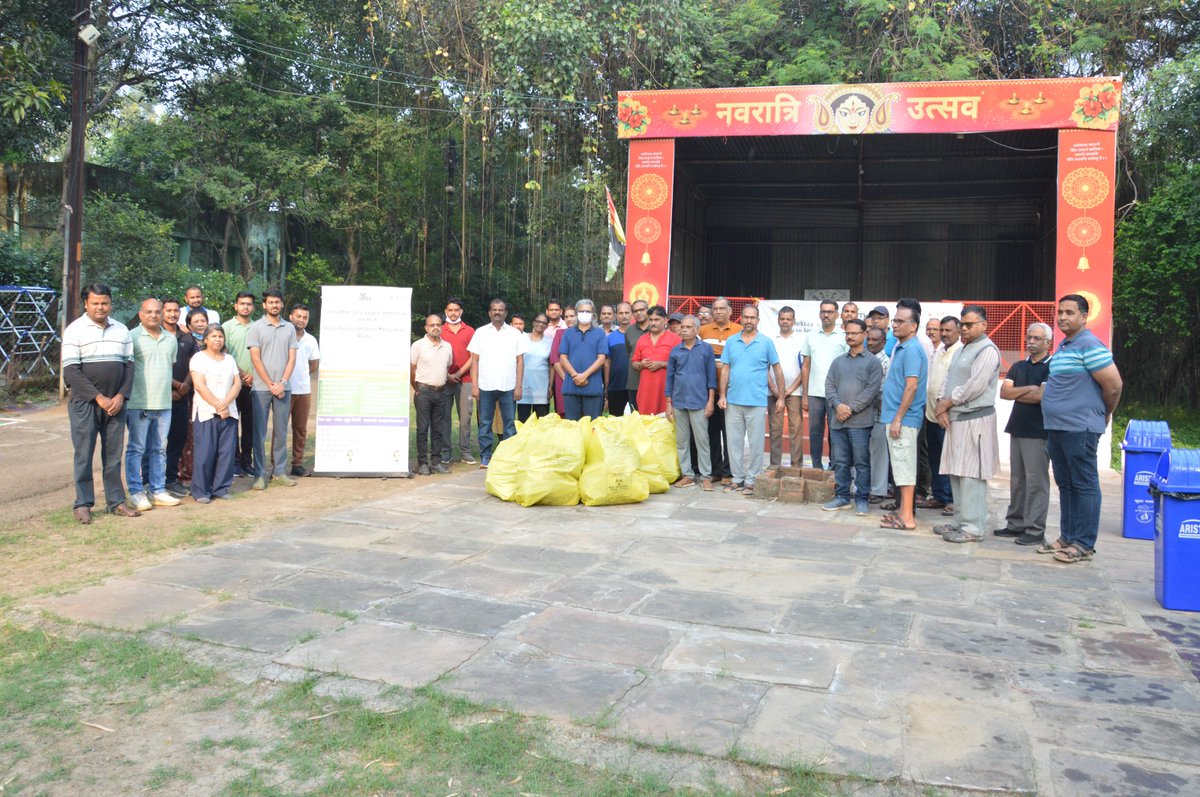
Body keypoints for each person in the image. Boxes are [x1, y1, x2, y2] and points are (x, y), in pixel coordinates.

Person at [1039, 294, 1123, 564]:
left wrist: (1104, 413)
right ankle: (1068, 536)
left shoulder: (1089, 344)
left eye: (1070, 312)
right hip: (1057, 427)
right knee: (1066, 484)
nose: (1063, 317)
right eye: (1060, 312)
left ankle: (1084, 544)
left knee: (1084, 485)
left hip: (1080, 428)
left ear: (1084, 317)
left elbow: (1114, 385)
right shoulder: (1065, 345)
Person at [62, 283, 139, 524]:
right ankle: (83, 504)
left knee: (114, 456)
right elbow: (71, 371)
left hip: (116, 404)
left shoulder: (122, 330)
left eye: (104, 303)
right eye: (95, 303)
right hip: (85, 404)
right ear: (86, 304)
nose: (100, 307)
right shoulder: (75, 330)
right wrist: (99, 398)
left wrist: (120, 397)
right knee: (84, 455)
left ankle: (116, 502)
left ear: (110, 304)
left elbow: (129, 366)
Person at [933, 306, 1001, 544]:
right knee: (957, 472)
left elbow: (976, 385)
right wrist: (943, 404)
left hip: (975, 419)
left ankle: (973, 528)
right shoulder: (962, 349)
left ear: (984, 325)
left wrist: (947, 403)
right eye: (962, 324)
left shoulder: (988, 350)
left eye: (969, 325)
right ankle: (959, 522)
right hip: (956, 419)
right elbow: (949, 380)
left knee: (972, 475)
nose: (964, 328)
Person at [996, 323, 1054, 546]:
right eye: (1029, 337)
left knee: (1036, 481)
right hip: (1017, 428)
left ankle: (1035, 529)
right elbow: (1004, 393)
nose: (1031, 341)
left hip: (1038, 432)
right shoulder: (1019, 366)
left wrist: (1021, 392)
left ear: (1047, 342)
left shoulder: (1052, 366)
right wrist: (1028, 389)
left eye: (1037, 338)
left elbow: (1041, 396)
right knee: (1017, 480)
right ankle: (1015, 523)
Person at [718, 304, 784, 494]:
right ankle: (737, 478)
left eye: (752, 318)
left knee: (756, 444)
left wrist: (780, 396)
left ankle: (752, 479)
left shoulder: (766, 342)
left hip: (756, 401)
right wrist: (722, 395)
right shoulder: (731, 341)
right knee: (733, 442)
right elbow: (725, 369)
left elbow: (777, 369)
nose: (748, 321)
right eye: (745, 317)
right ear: (741, 319)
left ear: (758, 320)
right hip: (733, 401)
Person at [125, 298, 181, 511]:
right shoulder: (132, 338)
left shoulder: (170, 339)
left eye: (157, 312)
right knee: (137, 449)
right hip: (139, 403)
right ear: (141, 314)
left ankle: (157, 490)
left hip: (164, 404)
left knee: (159, 449)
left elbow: (168, 367)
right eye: (148, 312)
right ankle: (136, 492)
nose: (153, 315)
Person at [823, 318, 883, 516]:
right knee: (840, 461)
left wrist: (850, 409)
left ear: (864, 335)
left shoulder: (873, 362)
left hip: (860, 422)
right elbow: (829, 386)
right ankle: (842, 496)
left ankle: (862, 498)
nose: (850, 336)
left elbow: (872, 390)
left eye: (854, 333)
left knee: (861, 461)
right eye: (847, 333)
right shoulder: (838, 361)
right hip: (837, 421)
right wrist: (838, 406)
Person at [878, 306, 927, 531]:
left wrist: (898, 418)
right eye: (895, 321)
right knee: (900, 467)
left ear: (913, 325)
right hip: (896, 417)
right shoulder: (901, 347)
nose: (894, 324)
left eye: (900, 321)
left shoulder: (913, 350)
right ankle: (902, 512)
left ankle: (907, 517)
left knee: (905, 468)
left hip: (905, 420)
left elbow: (912, 386)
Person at [247, 289, 298, 489]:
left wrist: (282, 383)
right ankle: (259, 474)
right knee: (259, 433)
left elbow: (292, 358)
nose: (274, 305)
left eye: (277, 302)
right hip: (261, 388)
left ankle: (279, 471)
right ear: (264, 305)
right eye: (270, 302)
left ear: (282, 304)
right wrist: (270, 384)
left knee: (281, 431)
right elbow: (255, 358)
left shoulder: (290, 328)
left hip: (284, 388)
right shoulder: (256, 327)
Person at [468, 299, 527, 467]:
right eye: (494, 309)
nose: (497, 312)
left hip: (508, 386)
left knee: (509, 424)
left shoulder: (515, 333)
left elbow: (520, 362)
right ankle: (486, 456)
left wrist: (518, 385)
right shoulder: (480, 332)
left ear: (506, 313)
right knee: (485, 423)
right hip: (485, 385)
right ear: (489, 313)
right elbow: (474, 361)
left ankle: (507, 458)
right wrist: (474, 385)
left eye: (500, 310)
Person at [189, 324, 241, 503]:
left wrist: (225, 404)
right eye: (213, 336)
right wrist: (218, 406)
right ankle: (201, 491)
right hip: (206, 412)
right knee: (205, 453)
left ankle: (221, 488)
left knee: (226, 453)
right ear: (205, 339)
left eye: (220, 336)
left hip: (229, 412)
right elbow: (199, 385)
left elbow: (237, 384)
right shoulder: (198, 358)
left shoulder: (229, 359)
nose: (217, 339)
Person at [665, 315, 716, 491]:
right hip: (678, 402)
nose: (683, 330)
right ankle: (687, 475)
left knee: (702, 440)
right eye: (682, 327)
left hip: (699, 401)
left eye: (687, 327)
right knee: (681, 441)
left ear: (696, 329)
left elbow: (711, 378)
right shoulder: (675, 351)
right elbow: (669, 378)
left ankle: (706, 476)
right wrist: (668, 403)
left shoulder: (705, 349)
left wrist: (710, 401)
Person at [800, 300, 849, 470]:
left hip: (836, 395)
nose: (826, 315)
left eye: (830, 312)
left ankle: (834, 468)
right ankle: (816, 467)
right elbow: (805, 366)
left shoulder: (843, 337)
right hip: (814, 394)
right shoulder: (811, 336)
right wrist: (804, 395)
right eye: (823, 312)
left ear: (837, 314)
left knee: (835, 432)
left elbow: (847, 368)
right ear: (819, 314)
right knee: (815, 433)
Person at [921, 316, 961, 511]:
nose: (944, 334)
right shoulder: (938, 351)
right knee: (935, 457)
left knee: (950, 459)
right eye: (942, 330)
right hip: (931, 415)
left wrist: (943, 408)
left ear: (958, 331)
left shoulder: (960, 352)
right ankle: (939, 495)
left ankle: (952, 498)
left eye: (948, 330)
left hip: (947, 416)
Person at [700, 297, 740, 483]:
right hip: (709, 391)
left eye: (722, 308)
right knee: (712, 432)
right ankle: (715, 470)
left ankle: (728, 471)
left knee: (730, 433)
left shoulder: (739, 331)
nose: (718, 312)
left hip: (730, 391)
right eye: (715, 309)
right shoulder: (703, 331)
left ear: (730, 311)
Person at [410, 313, 453, 475]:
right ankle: (422, 463)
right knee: (422, 428)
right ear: (426, 328)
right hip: (423, 391)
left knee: (438, 429)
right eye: (432, 325)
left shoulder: (447, 346)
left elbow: (446, 367)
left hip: (441, 392)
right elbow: (412, 369)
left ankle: (436, 462)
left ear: (442, 326)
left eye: (438, 324)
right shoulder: (418, 345)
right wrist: (418, 388)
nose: (436, 327)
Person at [223, 292, 257, 477]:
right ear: (236, 306)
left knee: (250, 426)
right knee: (232, 425)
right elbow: (225, 353)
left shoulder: (259, 327)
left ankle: (246, 462)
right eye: (242, 303)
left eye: (249, 304)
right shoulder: (226, 327)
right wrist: (242, 374)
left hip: (254, 384)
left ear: (253, 307)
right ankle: (235, 463)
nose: (245, 307)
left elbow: (262, 355)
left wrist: (253, 375)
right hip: (233, 385)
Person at [556, 299, 608, 420]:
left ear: (593, 314)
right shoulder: (568, 333)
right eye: (581, 311)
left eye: (588, 311)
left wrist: (584, 375)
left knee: (592, 427)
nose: (584, 313)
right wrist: (575, 376)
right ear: (576, 313)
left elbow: (601, 359)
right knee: (572, 427)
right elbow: (563, 358)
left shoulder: (600, 333)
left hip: (593, 388)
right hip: (571, 387)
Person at [768, 306, 805, 468]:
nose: (785, 321)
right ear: (778, 320)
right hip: (773, 392)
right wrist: (775, 389)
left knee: (795, 429)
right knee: (775, 429)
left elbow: (805, 368)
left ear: (794, 321)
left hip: (795, 391)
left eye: (788, 319)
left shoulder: (801, 340)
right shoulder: (770, 340)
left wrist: (789, 390)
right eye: (782, 318)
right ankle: (775, 465)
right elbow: (764, 367)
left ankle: (796, 466)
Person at [175, 308, 209, 488]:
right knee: (188, 435)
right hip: (190, 394)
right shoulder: (187, 342)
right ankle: (186, 473)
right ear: (189, 325)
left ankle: (204, 472)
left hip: (211, 396)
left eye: (203, 320)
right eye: (196, 321)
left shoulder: (215, 340)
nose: (200, 324)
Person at [441, 297, 477, 465]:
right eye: (450, 310)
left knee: (465, 417)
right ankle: (446, 452)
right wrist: (448, 375)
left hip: (466, 379)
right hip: (443, 380)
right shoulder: (439, 329)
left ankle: (465, 451)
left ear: (461, 311)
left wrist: (459, 373)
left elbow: (474, 357)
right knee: (444, 417)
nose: (453, 313)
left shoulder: (470, 331)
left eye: (456, 310)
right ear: (445, 312)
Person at [163, 298, 193, 495]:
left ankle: (171, 479)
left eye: (176, 311)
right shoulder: (158, 336)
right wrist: (175, 385)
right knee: (155, 442)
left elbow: (194, 364)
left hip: (182, 397)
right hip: (159, 397)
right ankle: (150, 480)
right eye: (168, 311)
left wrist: (185, 386)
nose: (172, 314)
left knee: (177, 439)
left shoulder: (187, 338)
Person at [287, 304, 320, 476]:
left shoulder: (311, 340)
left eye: (305, 317)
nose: (301, 320)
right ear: (291, 316)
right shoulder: (282, 335)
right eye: (298, 316)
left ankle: (297, 463)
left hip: (303, 390)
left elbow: (313, 365)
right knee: (280, 428)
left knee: (300, 429)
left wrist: (301, 376)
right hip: (283, 390)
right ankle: (277, 466)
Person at [631, 305, 681, 415]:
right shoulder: (642, 340)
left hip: (666, 393)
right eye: (651, 320)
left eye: (657, 320)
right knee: (645, 425)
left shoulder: (675, 339)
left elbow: (682, 364)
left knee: (665, 426)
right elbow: (634, 363)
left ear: (665, 320)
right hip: (645, 392)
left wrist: (662, 364)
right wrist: (641, 365)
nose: (653, 323)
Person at [866, 326, 892, 504]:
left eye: (875, 340)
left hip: (879, 413)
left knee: (879, 453)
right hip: (863, 414)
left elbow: (881, 390)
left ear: (883, 342)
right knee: (866, 452)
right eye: (869, 339)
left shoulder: (886, 362)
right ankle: (866, 487)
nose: (870, 343)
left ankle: (878, 490)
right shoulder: (866, 359)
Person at [518, 313, 553, 422]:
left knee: (541, 422)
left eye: (544, 323)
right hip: (524, 386)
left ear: (547, 325)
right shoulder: (522, 338)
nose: (540, 325)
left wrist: (550, 386)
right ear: (533, 322)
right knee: (524, 422)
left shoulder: (549, 342)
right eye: (538, 321)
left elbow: (552, 366)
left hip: (541, 388)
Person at [606, 302, 632, 416]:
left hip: (635, 386)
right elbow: (607, 362)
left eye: (627, 312)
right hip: (616, 385)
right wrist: (607, 384)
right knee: (615, 420)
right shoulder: (610, 338)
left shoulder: (640, 336)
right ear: (616, 316)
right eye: (621, 313)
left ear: (632, 314)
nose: (624, 316)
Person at [624, 299, 650, 412]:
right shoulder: (629, 331)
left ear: (648, 310)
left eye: (642, 310)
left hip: (652, 380)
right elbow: (629, 352)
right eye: (635, 311)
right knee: (636, 415)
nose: (639, 313)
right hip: (634, 381)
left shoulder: (656, 328)